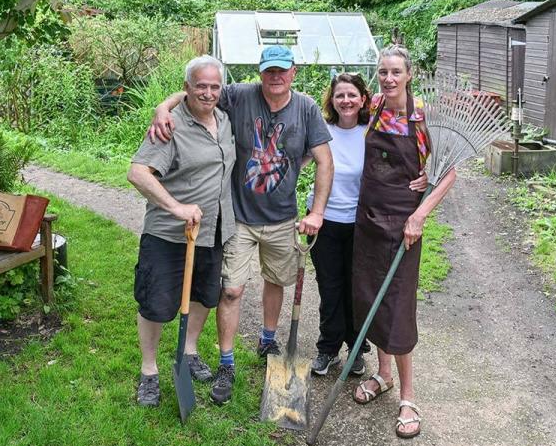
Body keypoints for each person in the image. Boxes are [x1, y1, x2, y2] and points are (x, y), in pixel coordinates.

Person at [148, 45, 334, 405]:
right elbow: (198, 89)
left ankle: (268, 338)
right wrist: (163, 107)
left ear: (293, 73)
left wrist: (317, 212)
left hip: (283, 219)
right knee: (231, 290)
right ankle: (227, 361)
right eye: (269, 71)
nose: (275, 77)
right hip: (239, 219)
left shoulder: (307, 108)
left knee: (276, 280)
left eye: (282, 71)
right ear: (260, 72)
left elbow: (325, 162)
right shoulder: (241, 95)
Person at [350, 45, 456, 439]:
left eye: (396, 72)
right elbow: (332, 108)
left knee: (398, 304)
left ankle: (408, 396)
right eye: (383, 72)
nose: (389, 78)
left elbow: (448, 173)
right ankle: (383, 374)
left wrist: (420, 214)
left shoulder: (423, 116)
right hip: (368, 219)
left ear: (409, 74)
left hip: (403, 223)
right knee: (369, 294)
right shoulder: (375, 106)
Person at [127, 55, 236, 407]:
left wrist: (168, 99)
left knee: (205, 296)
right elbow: (138, 173)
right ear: (187, 87)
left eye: (214, 86)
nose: (208, 93)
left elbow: (206, 92)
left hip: (213, 231)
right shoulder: (169, 126)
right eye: (199, 86)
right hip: (168, 235)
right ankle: (149, 372)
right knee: (156, 304)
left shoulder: (225, 118)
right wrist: (176, 208)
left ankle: (188, 352)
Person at [307, 74, 428, 377]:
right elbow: (295, 160)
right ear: (331, 101)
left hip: (363, 223)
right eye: (339, 96)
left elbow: (401, 163)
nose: (345, 101)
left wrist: (425, 176)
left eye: (351, 95)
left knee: (359, 289)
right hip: (324, 221)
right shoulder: (322, 132)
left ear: (363, 99)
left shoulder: (373, 131)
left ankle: (357, 348)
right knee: (330, 288)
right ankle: (328, 348)